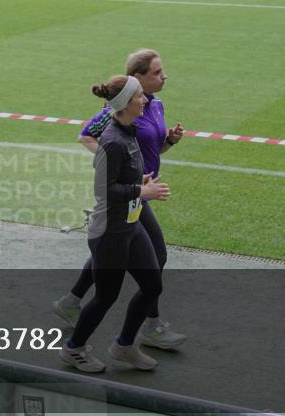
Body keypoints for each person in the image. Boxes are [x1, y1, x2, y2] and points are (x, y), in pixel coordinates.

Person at [54, 49, 186, 349]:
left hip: (140, 191)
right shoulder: (117, 115)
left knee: (114, 253)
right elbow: (87, 136)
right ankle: (148, 327)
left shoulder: (154, 106)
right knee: (150, 258)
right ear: (136, 79)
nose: (163, 76)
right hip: (131, 195)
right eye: (156, 72)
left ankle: (72, 301)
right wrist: (113, 166)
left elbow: (153, 148)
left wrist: (169, 141)